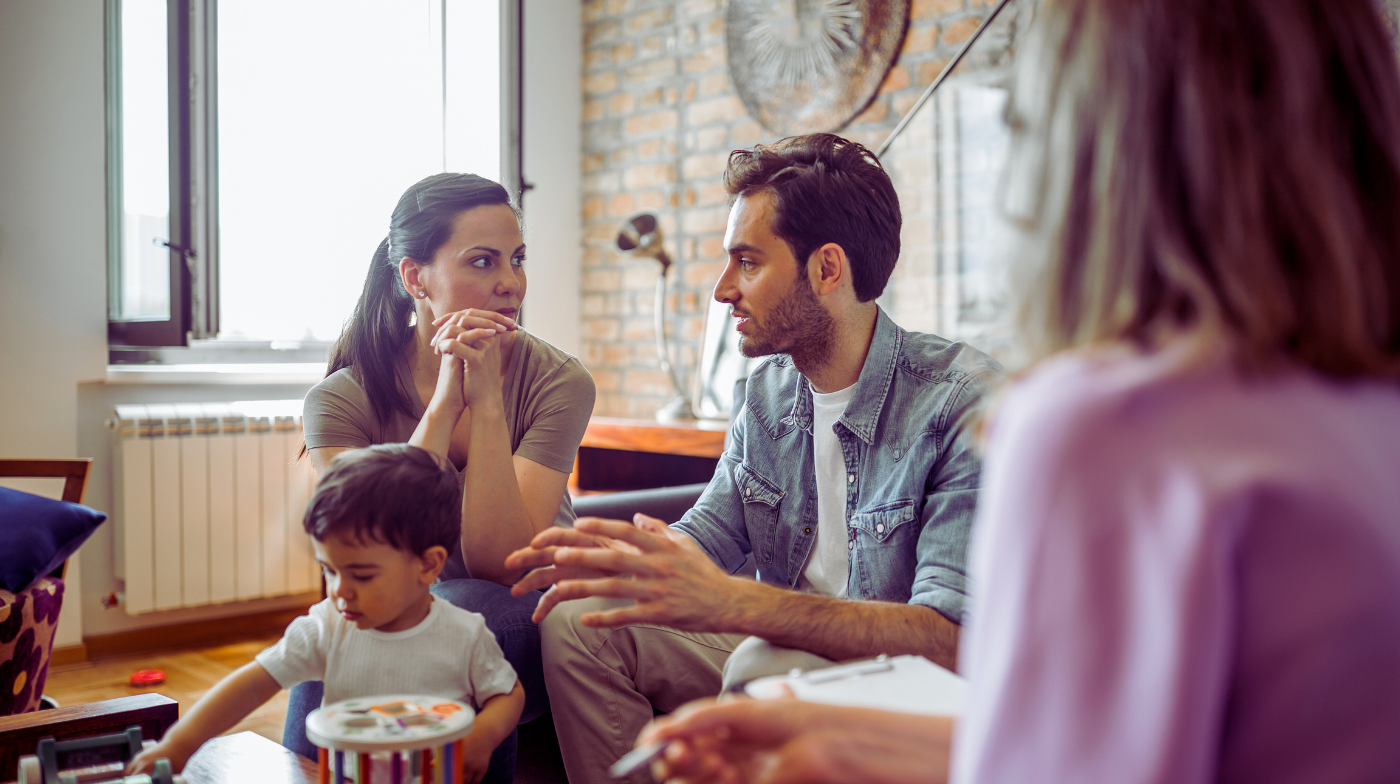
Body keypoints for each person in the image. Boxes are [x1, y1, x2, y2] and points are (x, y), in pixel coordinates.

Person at [635, 0, 1400, 781]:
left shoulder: (1089, 425)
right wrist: (837, 738)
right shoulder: (1374, 416)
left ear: (1090, 156)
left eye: (1025, 126)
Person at [505, 133, 1002, 784]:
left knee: (758, 663)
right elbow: (707, 534)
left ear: (827, 269)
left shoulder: (960, 404)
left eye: (746, 262)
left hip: (909, 689)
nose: (720, 290)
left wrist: (739, 606)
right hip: (780, 644)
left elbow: (952, 641)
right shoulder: (766, 393)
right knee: (582, 622)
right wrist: (620, 563)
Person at [285, 173, 596, 772]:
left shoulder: (559, 381)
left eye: (517, 259)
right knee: (340, 631)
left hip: (526, 612)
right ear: (413, 278)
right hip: (395, 608)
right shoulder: (340, 401)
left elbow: (502, 564)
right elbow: (374, 539)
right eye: (482, 261)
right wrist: (445, 402)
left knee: (461, 616)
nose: (511, 284)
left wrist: (488, 406)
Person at [129, 444, 525, 784]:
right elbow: (251, 684)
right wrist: (179, 744)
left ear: (427, 565)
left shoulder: (464, 633)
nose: (339, 590)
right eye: (329, 570)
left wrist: (485, 735)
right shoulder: (327, 626)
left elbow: (508, 694)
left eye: (362, 574)